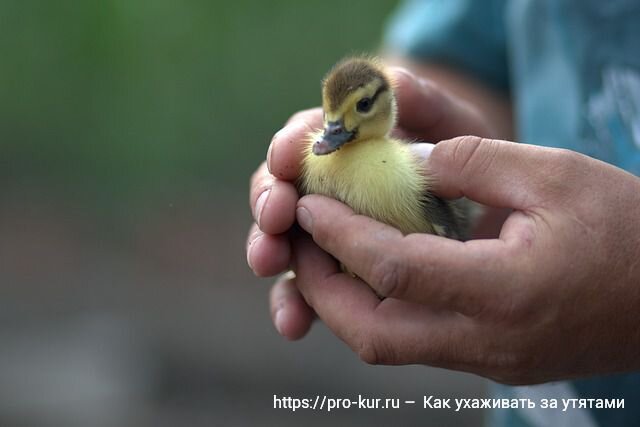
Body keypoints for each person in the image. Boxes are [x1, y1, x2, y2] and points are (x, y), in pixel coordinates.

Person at [247, 1, 640, 425]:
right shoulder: (348, 154)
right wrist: (445, 127)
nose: (333, 131)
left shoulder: (394, 172)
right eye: (332, 119)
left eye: (357, 111)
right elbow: (458, 62)